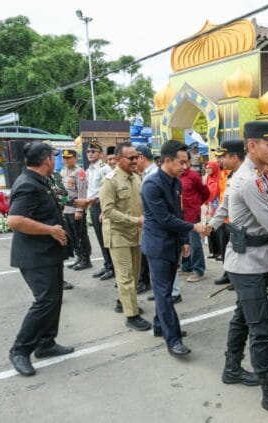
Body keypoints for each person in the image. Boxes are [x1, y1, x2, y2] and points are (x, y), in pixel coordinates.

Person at [205, 121, 268, 417]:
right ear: (252, 146)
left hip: (253, 260)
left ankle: (232, 368)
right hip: (246, 263)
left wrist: (210, 225)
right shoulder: (249, 179)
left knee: (242, 316)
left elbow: (226, 207)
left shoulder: (252, 175)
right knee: (261, 328)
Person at [6, 141, 74, 376]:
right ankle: (20, 350)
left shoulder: (41, 180)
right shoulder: (27, 184)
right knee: (44, 301)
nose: (55, 160)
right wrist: (50, 230)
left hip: (48, 253)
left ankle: (46, 343)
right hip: (35, 256)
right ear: (46, 160)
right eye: (54, 157)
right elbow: (15, 220)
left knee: (54, 300)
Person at [141, 140, 206, 357]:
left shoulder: (175, 182)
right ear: (167, 160)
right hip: (158, 246)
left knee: (166, 290)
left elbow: (178, 213)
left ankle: (160, 325)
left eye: (187, 163)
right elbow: (165, 219)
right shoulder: (151, 185)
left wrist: (184, 240)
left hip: (173, 244)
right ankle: (173, 340)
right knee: (164, 294)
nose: (185, 167)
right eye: (182, 163)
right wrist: (193, 227)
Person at [100, 142, 151, 331]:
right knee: (126, 276)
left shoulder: (136, 178)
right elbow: (108, 211)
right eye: (131, 158)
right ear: (118, 159)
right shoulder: (110, 181)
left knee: (135, 275)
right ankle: (132, 315)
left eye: (136, 157)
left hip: (135, 234)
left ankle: (124, 302)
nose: (135, 160)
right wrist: (135, 220)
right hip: (118, 235)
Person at [213, 142, 245, 286]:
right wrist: (211, 225)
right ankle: (230, 276)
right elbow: (224, 202)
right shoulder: (229, 175)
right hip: (229, 222)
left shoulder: (247, 177)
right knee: (227, 251)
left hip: (243, 229)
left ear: (234, 158)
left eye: (223, 156)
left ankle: (235, 279)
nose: (221, 160)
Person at [179, 150, 210, 283]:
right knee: (183, 240)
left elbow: (205, 192)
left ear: (189, 161)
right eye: (180, 161)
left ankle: (199, 270)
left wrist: (197, 203)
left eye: (185, 161)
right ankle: (186, 266)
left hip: (192, 213)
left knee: (194, 242)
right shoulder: (175, 175)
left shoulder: (194, 175)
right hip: (179, 214)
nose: (183, 164)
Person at [85, 142, 115, 281]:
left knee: (106, 238)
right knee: (100, 238)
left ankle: (112, 267)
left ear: (100, 154)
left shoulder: (104, 169)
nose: (90, 154)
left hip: (101, 205)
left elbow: (109, 189)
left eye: (93, 151)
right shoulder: (90, 169)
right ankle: (107, 264)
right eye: (88, 151)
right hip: (93, 206)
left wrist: (104, 209)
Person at [60, 149, 92, 271]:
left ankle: (86, 259)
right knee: (71, 236)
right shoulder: (63, 171)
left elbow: (82, 191)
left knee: (81, 235)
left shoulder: (80, 172)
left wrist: (79, 210)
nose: (66, 160)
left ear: (75, 158)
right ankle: (79, 256)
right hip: (66, 209)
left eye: (69, 157)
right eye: (64, 158)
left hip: (75, 210)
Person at [135, 145, 158, 294]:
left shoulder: (154, 175)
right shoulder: (144, 174)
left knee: (157, 260)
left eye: (134, 158)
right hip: (147, 222)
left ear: (141, 157)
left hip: (154, 224)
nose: (133, 161)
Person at [205, 160, 222, 259]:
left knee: (218, 229)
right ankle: (213, 251)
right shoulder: (208, 178)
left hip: (219, 206)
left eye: (209, 168)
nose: (207, 170)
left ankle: (220, 252)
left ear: (214, 168)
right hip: (210, 206)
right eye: (206, 168)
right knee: (209, 228)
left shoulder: (220, 177)